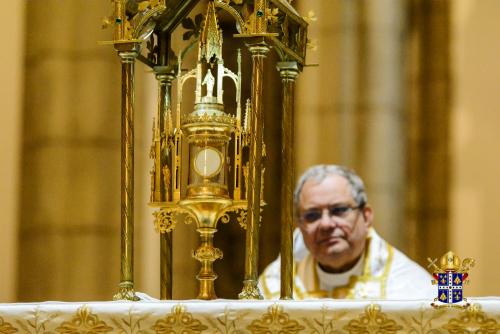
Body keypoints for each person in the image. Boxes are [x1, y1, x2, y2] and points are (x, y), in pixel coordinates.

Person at [259, 164, 435, 299]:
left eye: (339, 210)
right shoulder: (275, 287)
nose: (326, 224)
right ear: (299, 224)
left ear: (366, 217)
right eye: (312, 215)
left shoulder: (410, 288)